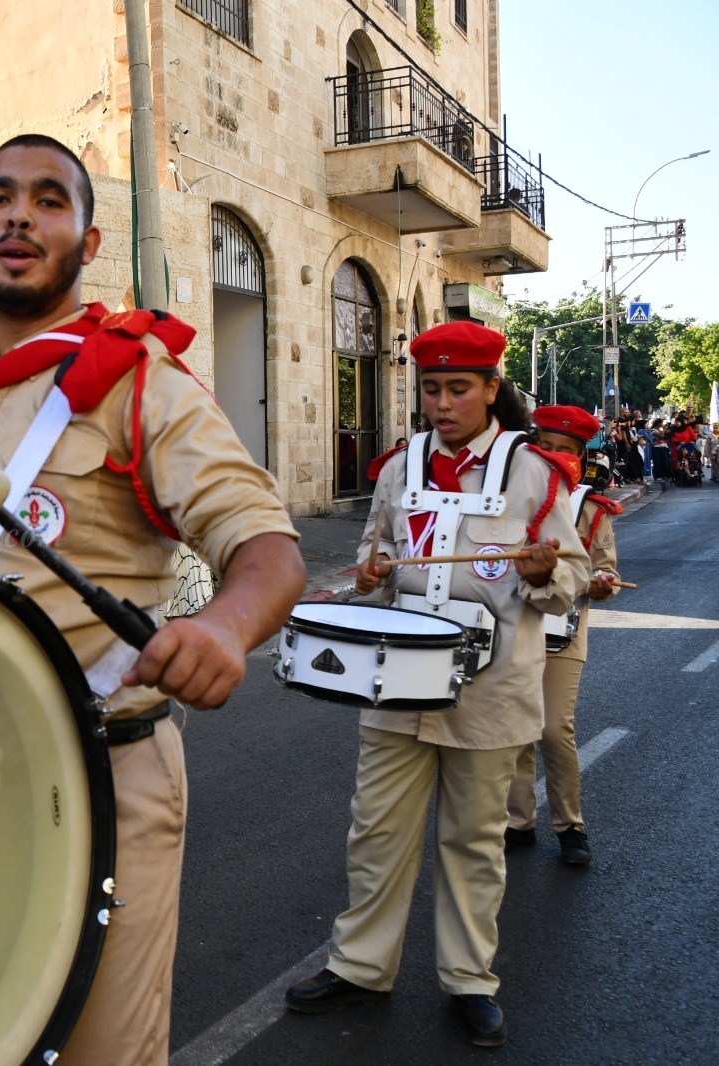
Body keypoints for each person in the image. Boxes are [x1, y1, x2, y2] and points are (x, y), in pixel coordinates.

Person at [0, 134, 305, 1065]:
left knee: (101, 1053)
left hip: (100, 777)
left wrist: (224, 626)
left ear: (90, 240)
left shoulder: (136, 380)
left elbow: (267, 547)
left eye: (49, 200)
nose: (19, 215)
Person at [284, 322, 589, 1048]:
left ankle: (469, 980)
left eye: (459, 388)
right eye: (431, 389)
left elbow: (574, 576)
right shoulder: (397, 469)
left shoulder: (536, 474)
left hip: (491, 690)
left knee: (473, 841)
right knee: (377, 830)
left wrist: (548, 574)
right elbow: (375, 554)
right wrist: (370, 573)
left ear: (491, 389)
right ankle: (361, 966)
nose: (443, 403)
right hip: (395, 685)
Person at [506, 405, 619, 866]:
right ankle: (519, 821)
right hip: (516, 626)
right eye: (545, 447)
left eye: (566, 451)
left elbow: (607, 570)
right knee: (515, 731)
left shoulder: (590, 507)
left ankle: (570, 827)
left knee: (554, 730)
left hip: (564, 634)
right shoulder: (513, 495)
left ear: (581, 457)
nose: (554, 457)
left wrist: (600, 581)